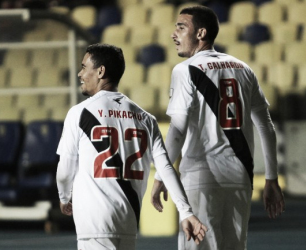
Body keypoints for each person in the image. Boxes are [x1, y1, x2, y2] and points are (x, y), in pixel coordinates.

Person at [151, 6, 285, 250]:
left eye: (181, 27)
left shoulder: (185, 70)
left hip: (201, 176)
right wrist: (271, 178)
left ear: (201, 33)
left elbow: (177, 131)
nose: (173, 34)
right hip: (240, 176)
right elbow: (266, 126)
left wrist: (161, 176)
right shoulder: (244, 68)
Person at [56, 43, 207, 250]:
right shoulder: (146, 118)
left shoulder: (80, 113)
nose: (80, 74)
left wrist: (64, 197)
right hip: (127, 218)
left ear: (100, 71)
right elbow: (166, 168)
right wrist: (186, 211)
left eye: (84, 67)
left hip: (94, 222)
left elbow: (65, 169)